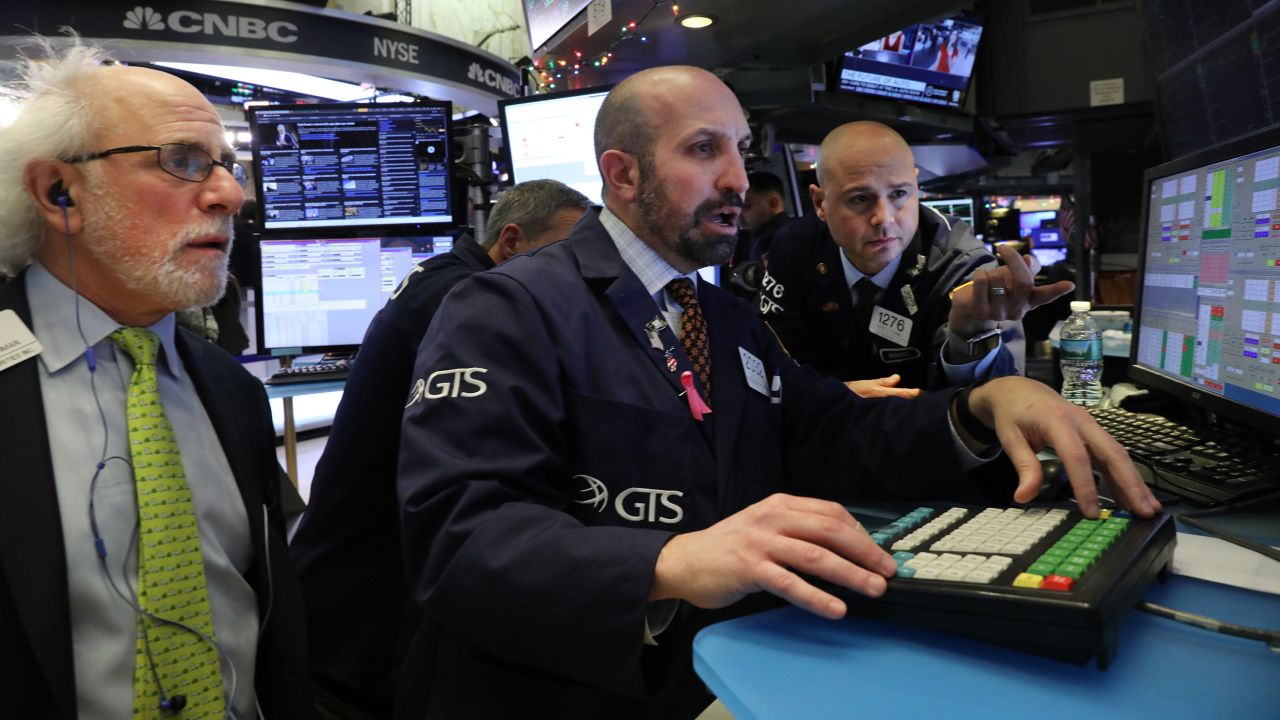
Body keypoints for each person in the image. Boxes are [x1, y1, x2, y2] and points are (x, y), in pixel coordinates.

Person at [395, 65, 1159, 720]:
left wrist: (977, 408)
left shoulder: (720, 317)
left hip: (721, 674)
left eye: (740, 150)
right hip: (569, 696)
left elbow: (831, 430)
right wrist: (666, 560)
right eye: (703, 150)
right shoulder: (509, 306)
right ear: (623, 173)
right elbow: (460, 536)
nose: (738, 179)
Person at [0, 38, 311, 718]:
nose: (231, 195)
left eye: (228, 167)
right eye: (183, 162)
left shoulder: (233, 394)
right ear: (59, 193)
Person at [289, 179, 590, 719]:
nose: (578, 272)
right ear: (513, 240)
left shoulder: (445, 280)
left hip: (351, 581)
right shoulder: (466, 300)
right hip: (361, 607)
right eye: (566, 253)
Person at [759, 121, 1071, 398]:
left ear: (917, 187)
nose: (884, 219)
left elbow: (998, 402)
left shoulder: (964, 266)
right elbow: (769, 365)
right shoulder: (793, 248)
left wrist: (970, 338)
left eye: (898, 194)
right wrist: (832, 396)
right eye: (860, 198)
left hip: (925, 445)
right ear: (820, 203)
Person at [741, 170, 792, 262]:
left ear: (772, 204)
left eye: (746, 206)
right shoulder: (793, 231)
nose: (740, 214)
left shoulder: (767, 242)